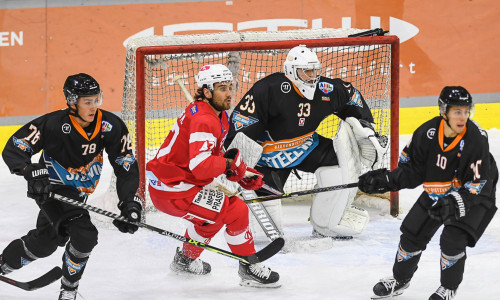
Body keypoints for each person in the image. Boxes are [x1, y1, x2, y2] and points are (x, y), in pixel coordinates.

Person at [0, 73, 142, 299]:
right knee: (84, 235)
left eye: (97, 99)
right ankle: (69, 291)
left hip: (79, 193)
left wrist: (128, 202)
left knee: (46, 243)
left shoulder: (110, 126)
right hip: (53, 190)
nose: (94, 106)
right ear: (72, 101)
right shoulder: (54, 124)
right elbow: (16, 147)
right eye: (87, 101)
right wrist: (29, 170)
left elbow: (125, 165)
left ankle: (3, 264)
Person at [224, 45, 387, 239]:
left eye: (314, 70)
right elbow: (242, 125)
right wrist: (236, 164)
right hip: (269, 157)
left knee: (342, 164)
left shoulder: (325, 89)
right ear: (291, 71)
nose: (312, 76)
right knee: (264, 234)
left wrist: (365, 126)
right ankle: (259, 229)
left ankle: (326, 223)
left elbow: (351, 96)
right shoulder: (269, 89)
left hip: (306, 147)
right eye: (306, 71)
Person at [145, 64, 280, 288]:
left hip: (175, 183)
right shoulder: (205, 120)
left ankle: (185, 260)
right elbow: (201, 166)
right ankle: (248, 267)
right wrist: (230, 165)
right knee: (235, 211)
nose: (229, 93)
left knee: (212, 215)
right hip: (173, 189)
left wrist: (241, 172)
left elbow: (210, 156)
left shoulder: (215, 115)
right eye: (221, 88)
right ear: (207, 92)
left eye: (230, 87)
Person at [358, 86, 498, 300]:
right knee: (412, 233)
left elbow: (478, 182)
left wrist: (456, 201)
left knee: (452, 238)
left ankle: (448, 287)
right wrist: (387, 180)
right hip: (440, 188)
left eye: (466, 111)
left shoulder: (476, 139)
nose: (462, 117)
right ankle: (400, 280)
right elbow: (413, 170)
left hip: (476, 194)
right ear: (444, 111)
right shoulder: (426, 133)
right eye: (457, 111)